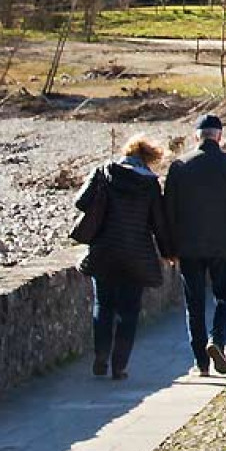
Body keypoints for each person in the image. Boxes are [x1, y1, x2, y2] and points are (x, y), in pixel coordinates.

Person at [164, 113, 226, 377]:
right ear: (219, 136)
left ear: (197, 136)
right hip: (223, 245)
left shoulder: (179, 166)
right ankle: (216, 340)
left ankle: (201, 363)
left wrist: (168, 248)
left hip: (188, 247)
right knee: (225, 297)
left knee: (194, 303)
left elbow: (168, 212)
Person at [74, 135, 174, 380]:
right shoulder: (150, 184)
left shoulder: (103, 172)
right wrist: (168, 252)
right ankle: (119, 366)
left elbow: (81, 202)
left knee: (103, 305)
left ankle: (100, 355)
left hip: (103, 251)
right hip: (136, 255)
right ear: (149, 158)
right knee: (129, 311)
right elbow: (158, 223)